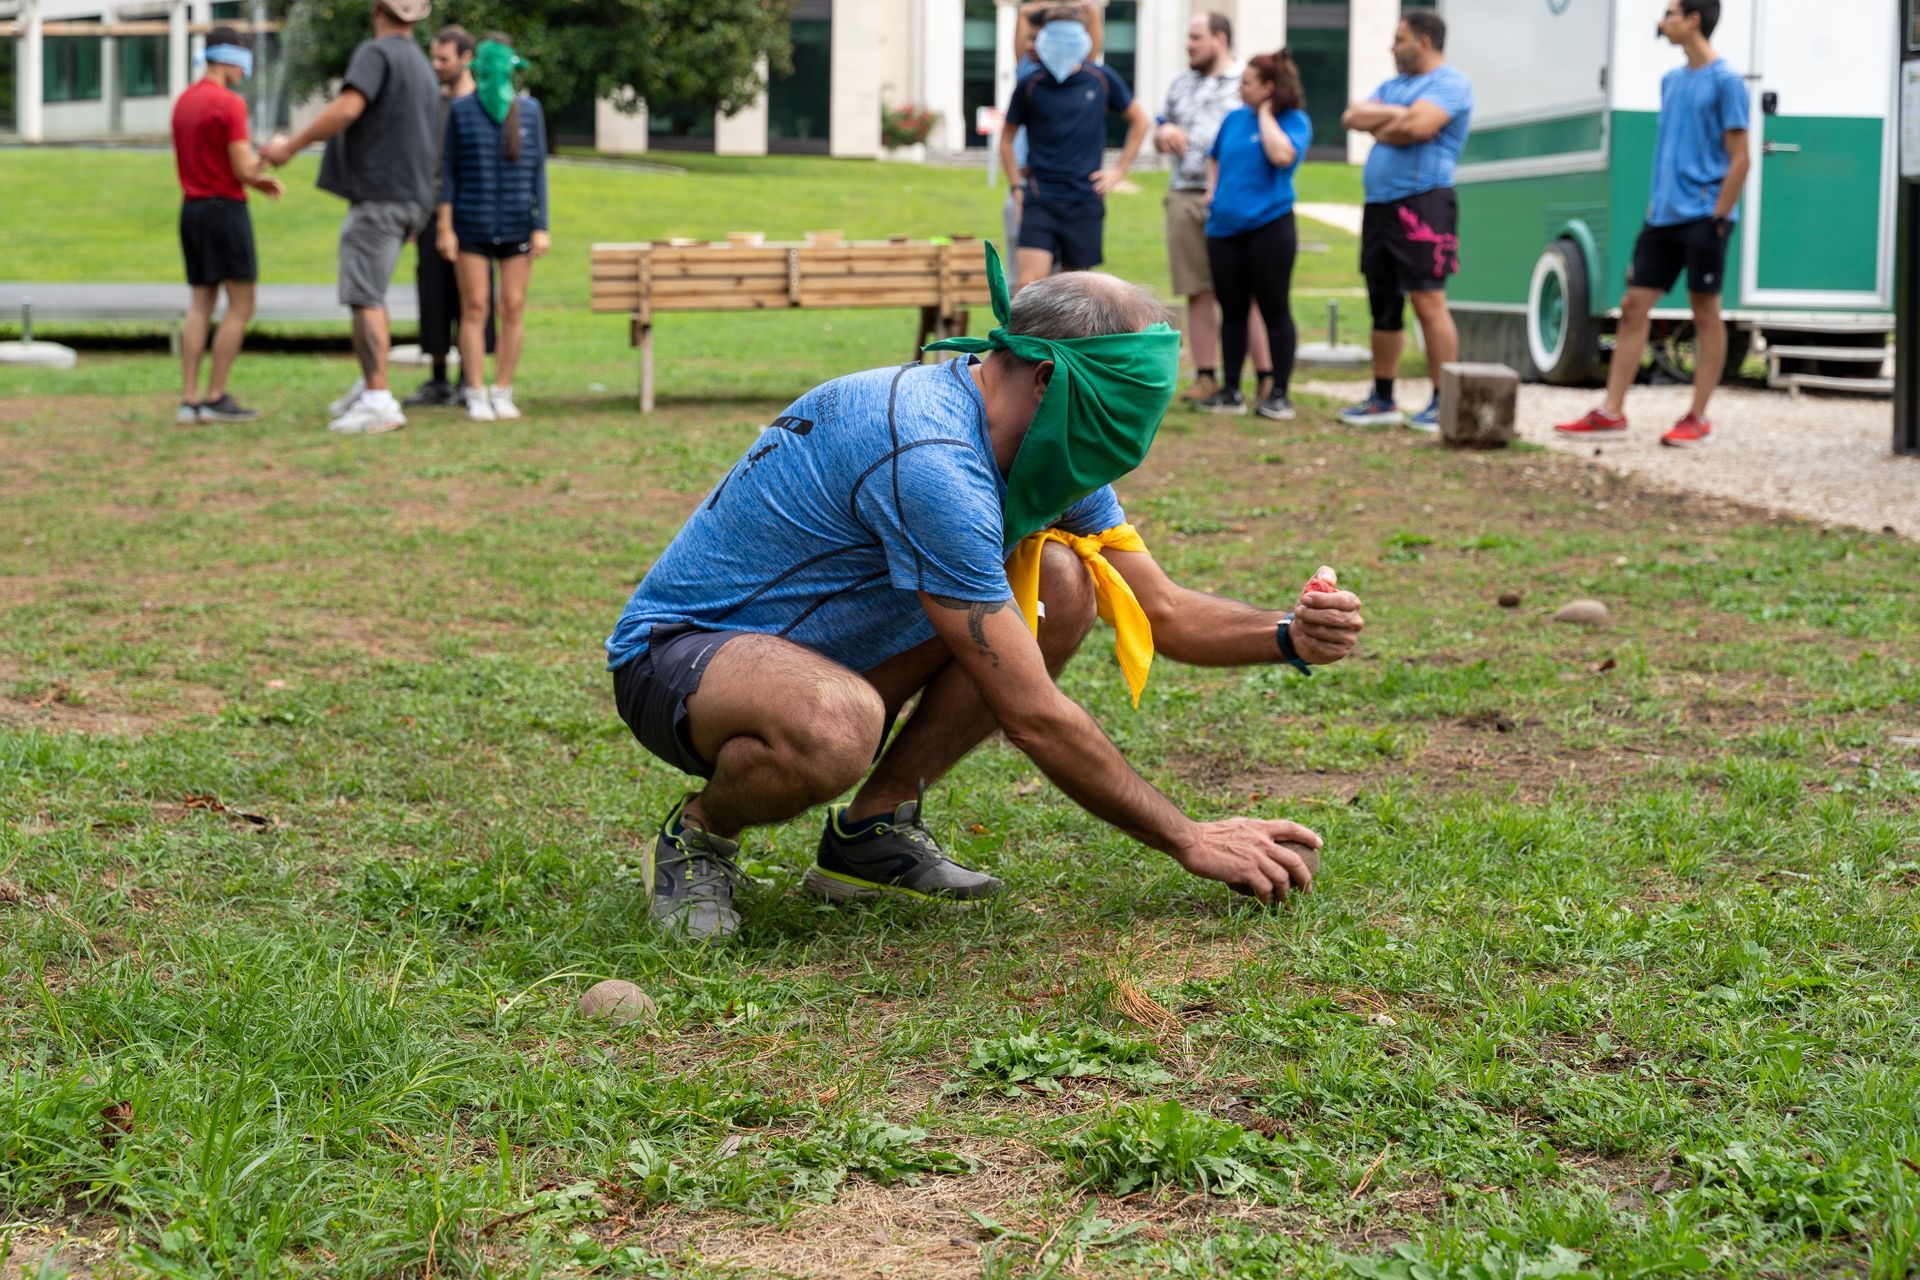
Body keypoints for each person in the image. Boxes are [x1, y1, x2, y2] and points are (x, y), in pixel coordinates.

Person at [604, 246, 1366, 940]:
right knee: (836, 722)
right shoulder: (933, 453)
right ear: (1048, 377)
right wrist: (1189, 837)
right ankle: (700, 835)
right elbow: (1033, 715)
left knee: (1063, 587)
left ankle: (870, 836)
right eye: (1129, 401)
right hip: (681, 662)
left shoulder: (1048, 448)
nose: (1137, 429)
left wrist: (1288, 635)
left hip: (831, 661)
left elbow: (1159, 610)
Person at [1554, 0, 1749, 448]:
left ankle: (1697, 416)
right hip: (1662, 218)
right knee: (1634, 306)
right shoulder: (1671, 81)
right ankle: (1611, 411)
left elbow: (1741, 159)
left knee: (1705, 313)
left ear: (1693, 20)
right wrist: (1653, 208)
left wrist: (1718, 217)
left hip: (1705, 216)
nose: (1662, 23)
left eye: (1670, 13)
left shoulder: (1726, 82)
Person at [262, 0, 439, 435]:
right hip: (412, 198)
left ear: (378, 8)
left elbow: (346, 108)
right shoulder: (419, 63)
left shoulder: (375, 53)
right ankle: (368, 386)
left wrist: (290, 147)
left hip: (379, 197)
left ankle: (379, 399)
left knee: (365, 298)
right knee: (372, 293)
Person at [1339, 11, 1472, 432]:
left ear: (1424, 41)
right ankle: (1383, 398)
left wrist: (1391, 121)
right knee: (1382, 303)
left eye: (1399, 39)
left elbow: (1419, 125)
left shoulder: (1450, 83)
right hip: (1379, 206)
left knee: (1428, 299)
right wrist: (1398, 118)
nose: (1392, 48)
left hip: (1425, 203)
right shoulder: (1394, 86)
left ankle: (1442, 399)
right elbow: (1352, 117)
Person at [1156, 12, 1271, 408]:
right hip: (1185, 194)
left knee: (1246, 293)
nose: (1188, 44)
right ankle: (1206, 377)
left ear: (1220, 39)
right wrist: (1163, 132)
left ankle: (1266, 378)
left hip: (1236, 202)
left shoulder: (1248, 82)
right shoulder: (1180, 83)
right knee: (1197, 290)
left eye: (1195, 37)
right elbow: (1160, 124)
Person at [171, 27, 283, 424]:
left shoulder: (184, 101)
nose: (247, 69)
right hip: (225, 212)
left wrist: (255, 178)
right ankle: (217, 397)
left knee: (200, 304)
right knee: (241, 304)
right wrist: (269, 156)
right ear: (230, 57)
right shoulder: (229, 104)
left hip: (193, 211)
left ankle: (190, 399)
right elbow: (242, 167)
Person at [437, 33, 549, 422]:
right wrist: (445, 226)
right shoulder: (461, 110)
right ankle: (475, 390)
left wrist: (541, 225)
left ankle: (503, 389)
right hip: (471, 223)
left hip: (519, 224)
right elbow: (448, 171)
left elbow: (538, 172)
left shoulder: (530, 111)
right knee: (475, 306)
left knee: (513, 306)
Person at [999, 6, 1152, 292]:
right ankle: (1024, 339)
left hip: (1084, 198)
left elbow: (1140, 121)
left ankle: (1065, 340)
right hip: (1040, 196)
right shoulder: (1029, 83)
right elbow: (1006, 139)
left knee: (1075, 294)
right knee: (1027, 286)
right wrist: (1017, 188)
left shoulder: (1101, 78)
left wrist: (1119, 170)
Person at [1202, 51, 1312, 421]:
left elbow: (1282, 156)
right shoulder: (1233, 119)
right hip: (1223, 229)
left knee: (1274, 310)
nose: (1240, 88)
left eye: (1247, 82)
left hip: (1270, 227)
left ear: (1268, 88)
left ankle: (1278, 394)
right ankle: (1230, 391)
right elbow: (1214, 156)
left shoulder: (1294, 121)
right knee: (1232, 312)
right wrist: (1212, 189)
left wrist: (1266, 113)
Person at [405, 25, 496, 410]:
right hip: (429, 212)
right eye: (434, 57)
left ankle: (467, 381)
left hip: (473, 212)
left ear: (466, 58)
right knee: (433, 293)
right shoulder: (430, 103)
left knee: (473, 299)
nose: (436, 65)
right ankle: (439, 378)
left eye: (444, 58)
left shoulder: (485, 104)